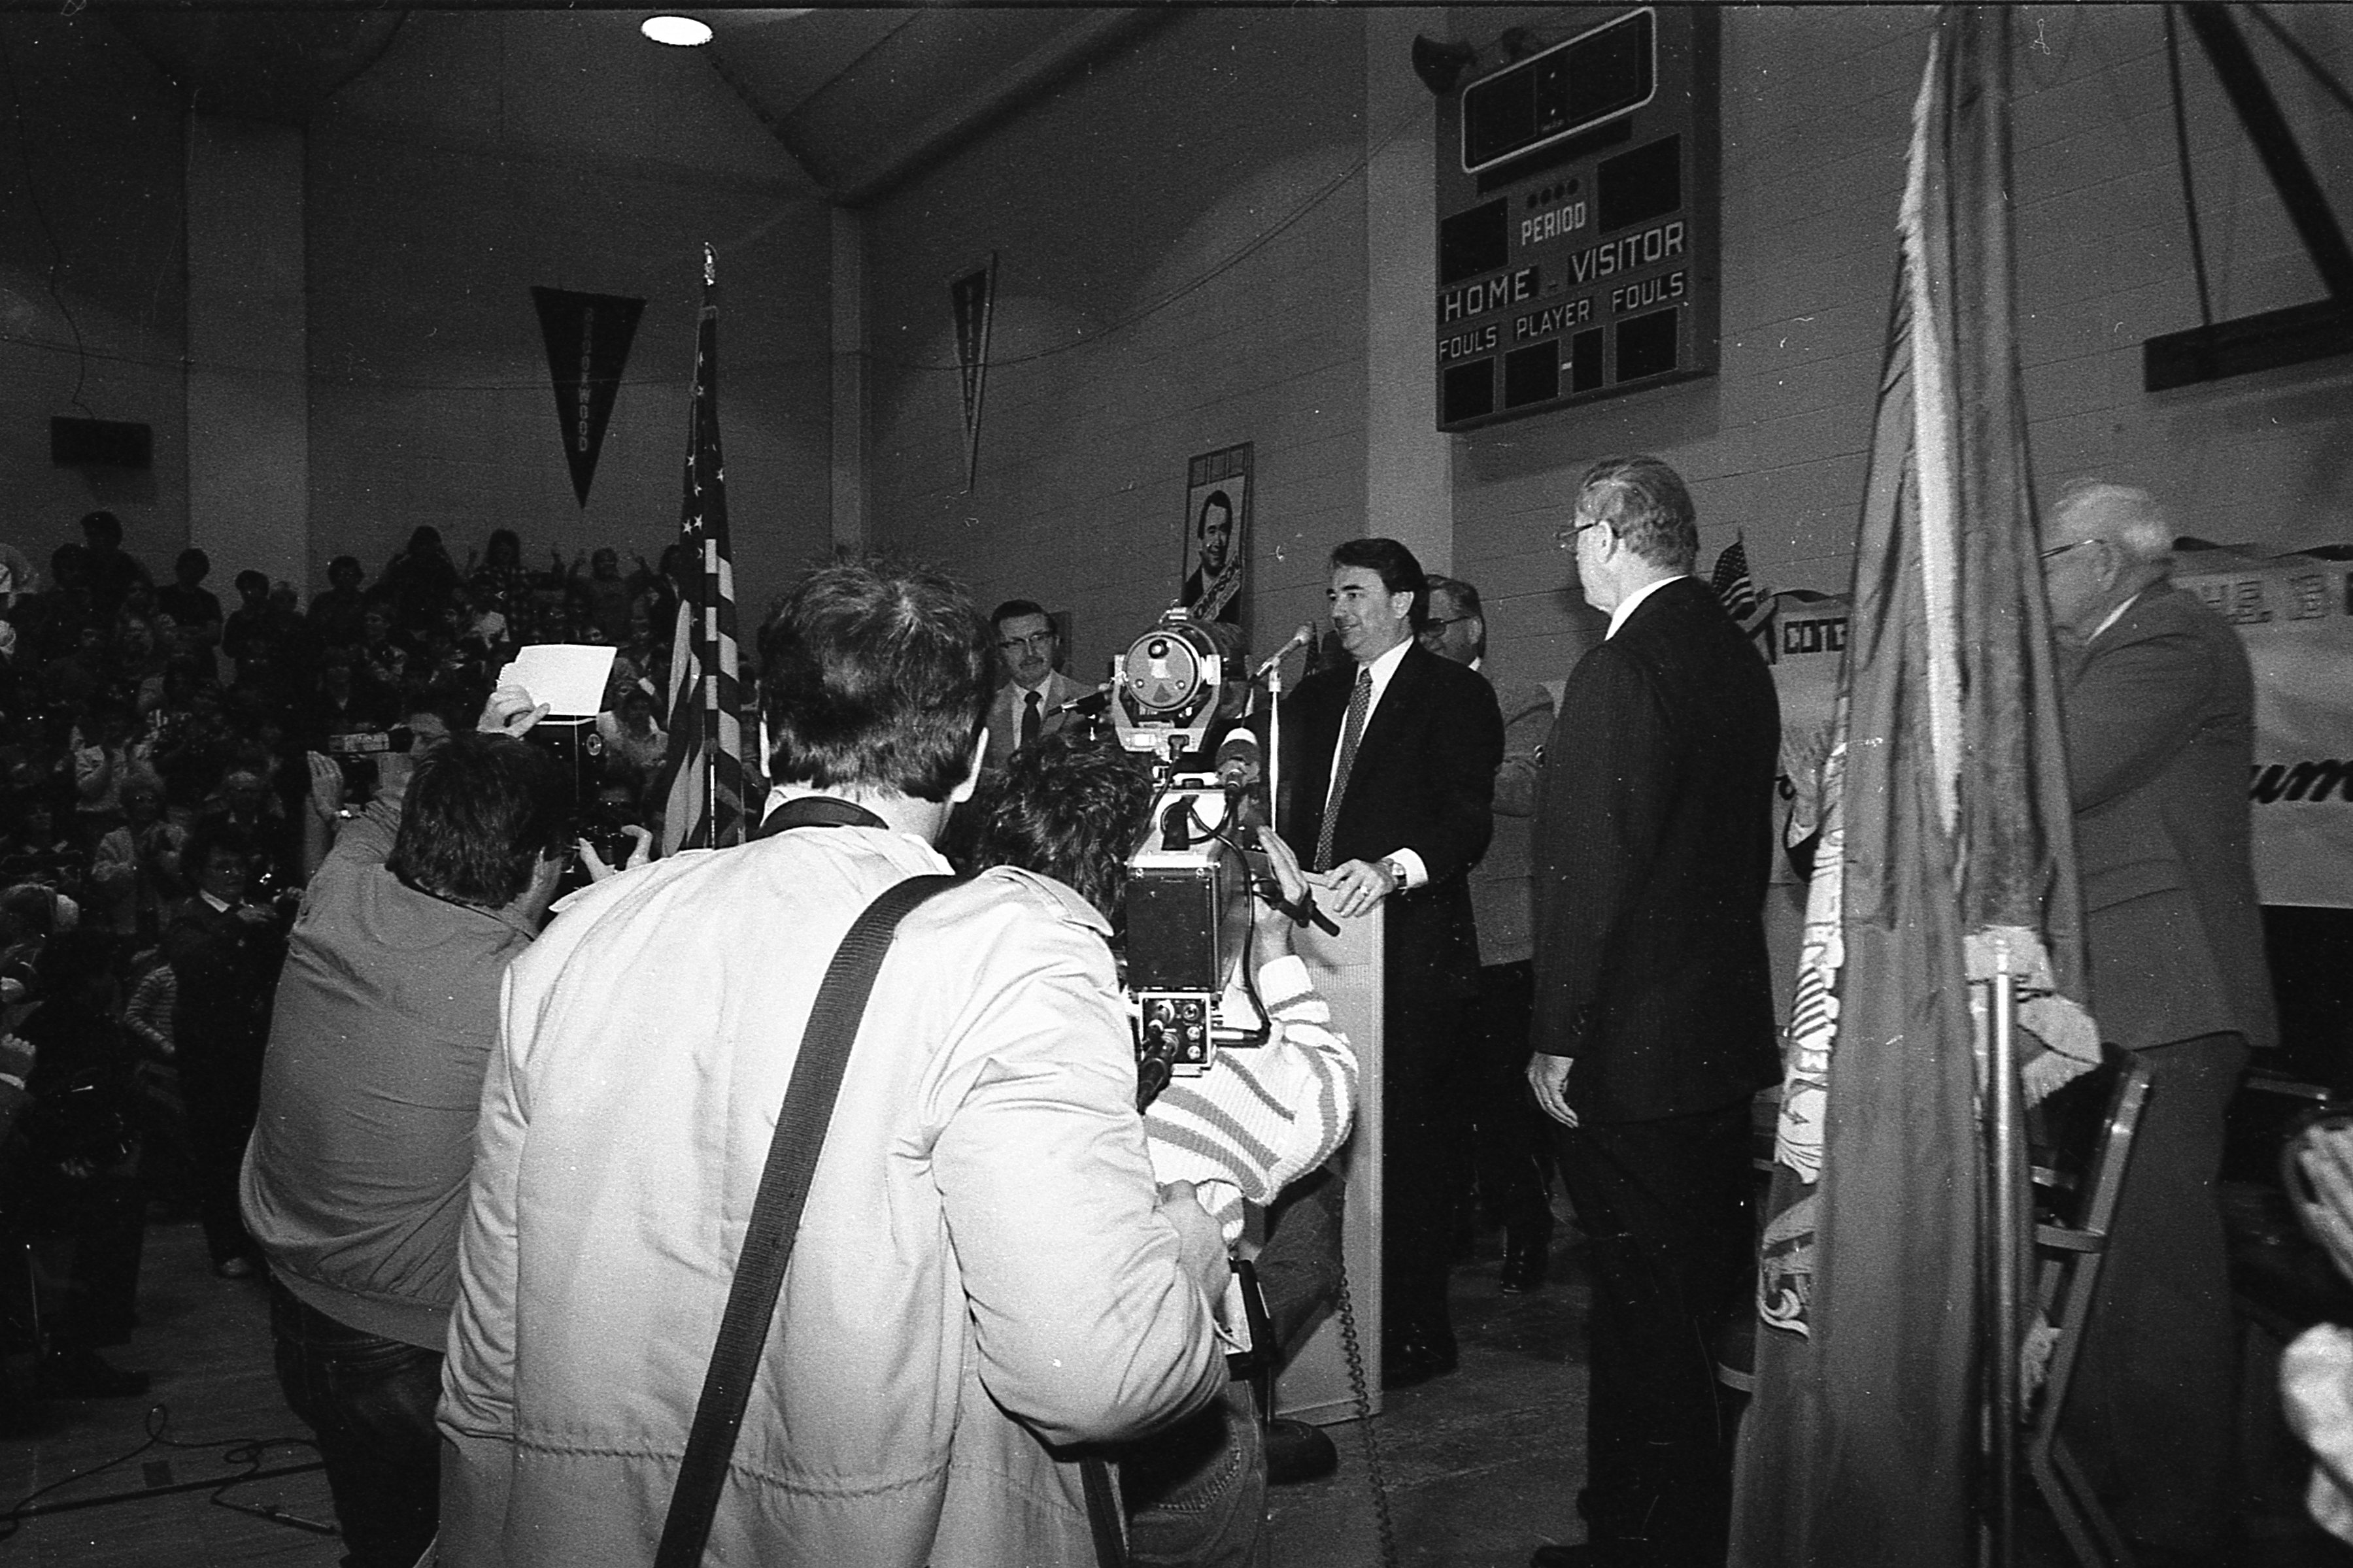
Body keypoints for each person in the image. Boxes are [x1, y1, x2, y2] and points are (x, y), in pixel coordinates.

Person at [438, 559, 1228, 1568]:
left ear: (770, 739)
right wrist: (1191, 1251)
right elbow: (1097, 1374)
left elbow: (488, 1367)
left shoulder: (575, 940)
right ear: (972, 759)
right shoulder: (1005, 950)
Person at [971, 732, 1358, 1563]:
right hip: (1171, 1406)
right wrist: (1272, 954)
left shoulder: (975, 990)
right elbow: (1323, 1106)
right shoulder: (1194, 1041)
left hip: (1000, 1415)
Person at [1525, 456, 1780, 1568]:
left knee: (1639, 1309)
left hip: (1630, 1050)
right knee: (1687, 1301)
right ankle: (1664, 1518)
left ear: (1612, 536)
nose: (1571, 552)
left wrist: (1555, 1033)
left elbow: (1587, 875)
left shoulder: (1617, 667)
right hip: (1714, 1041)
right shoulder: (1732, 656)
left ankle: (1638, 1537)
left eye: (1574, 532)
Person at [243, 702, 569, 1568]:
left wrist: (476, 741)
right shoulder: (522, 993)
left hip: (301, 1319)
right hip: (412, 1354)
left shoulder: (337, 894)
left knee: (380, 1542)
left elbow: (380, 814)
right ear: (543, 863)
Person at [2040, 480, 2277, 1567]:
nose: (2035, 578)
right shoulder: (2097, 651)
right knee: (2107, 1273)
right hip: (2110, 1000)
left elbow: (2058, 769)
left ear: (2100, 560)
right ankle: (2097, 1493)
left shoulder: (2169, 635)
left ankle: (2180, 1527)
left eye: (2047, 557)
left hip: (2166, 996)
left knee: (2153, 1280)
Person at [1278, 538, 1503, 1388]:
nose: (1338, 610)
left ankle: (1410, 1331)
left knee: (1407, 1151)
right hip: (1313, 949)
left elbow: (1465, 820)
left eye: (1354, 593)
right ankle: (1327, 1329)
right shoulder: (1311, 697)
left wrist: (1390, 869)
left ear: (1402, 602)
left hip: (1407, 954)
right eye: (1332, 594)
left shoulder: (1454, 694)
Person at [1421, 573, 1556, 1293]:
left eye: (1437, 625)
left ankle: (1527, 1230)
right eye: (1417, 627)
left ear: (1473, 628)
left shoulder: (1519, 699)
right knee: (1439, 1098)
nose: (1425, 639)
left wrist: (1440, 759)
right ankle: (1449, 1228)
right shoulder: (1405, 703)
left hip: (1501, 934)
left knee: (1506, 1101)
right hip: (1426, 931)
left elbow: (1523, 789)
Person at [165, 817, 288, 1278]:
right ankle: (226, 1246)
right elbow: (191, 963)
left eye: (239, 865)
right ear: (199, 872)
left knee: (258, 1148)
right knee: (218, 1150)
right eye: (222, 866)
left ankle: (259, 1242)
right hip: (210, 1055)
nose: (234, 874)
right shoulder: (188, 915)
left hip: (254, 1048)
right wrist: (234, 925)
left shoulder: (254, 910)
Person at [981, 597, 1087, 770]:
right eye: (1015, 643)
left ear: (1056, 641)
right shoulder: (983, 711)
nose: (1030, 652)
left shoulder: (1089, 703)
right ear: (998, 652)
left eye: (1038, 638)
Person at [1184, 491, 1243, 626]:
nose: (1218, 541)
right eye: (1212, 531)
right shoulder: (1188, 591)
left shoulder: (1240, 589)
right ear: (1200, 542)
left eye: (1223, 531)